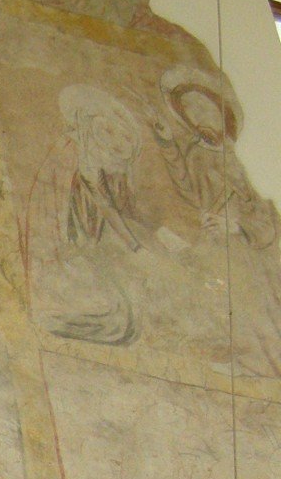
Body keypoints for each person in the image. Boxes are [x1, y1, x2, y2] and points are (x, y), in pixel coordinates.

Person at [153, 64, 281, 377]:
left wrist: (237, 226)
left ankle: (265, 362)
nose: (198, 115)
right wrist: (168, 145)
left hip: (248, 244)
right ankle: (248, 358)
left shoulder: (241, 156)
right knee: (231, 302)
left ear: (221, 111)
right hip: (219, 240)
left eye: (203, 107)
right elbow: (189, 188)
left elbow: (264, 210)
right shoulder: (197, 151)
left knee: (257, 301)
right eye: (189, 110)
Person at [24, 83, 149, 345]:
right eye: (107, 130)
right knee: (112, 310)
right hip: (57, 255)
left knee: (124, 315)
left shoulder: (94, 167)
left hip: (80, 254)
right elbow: (52, 219)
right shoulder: (68, 154)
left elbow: (107, 209)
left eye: (119, 137)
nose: (113, 141)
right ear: (89, 124)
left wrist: (135, 247)